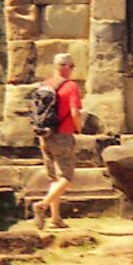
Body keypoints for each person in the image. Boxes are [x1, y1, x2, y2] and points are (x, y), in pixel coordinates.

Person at [33, 54, 83, 231]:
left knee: (54, 178)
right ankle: (43, 205)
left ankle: (55, 219)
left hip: (45, 135)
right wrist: (79, 128)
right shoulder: (70, 86)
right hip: (63, 135)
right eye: (72, 66)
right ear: (66, 67)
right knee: (66, 178)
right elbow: (75, 112)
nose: (72, 70)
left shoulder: (45, 85)